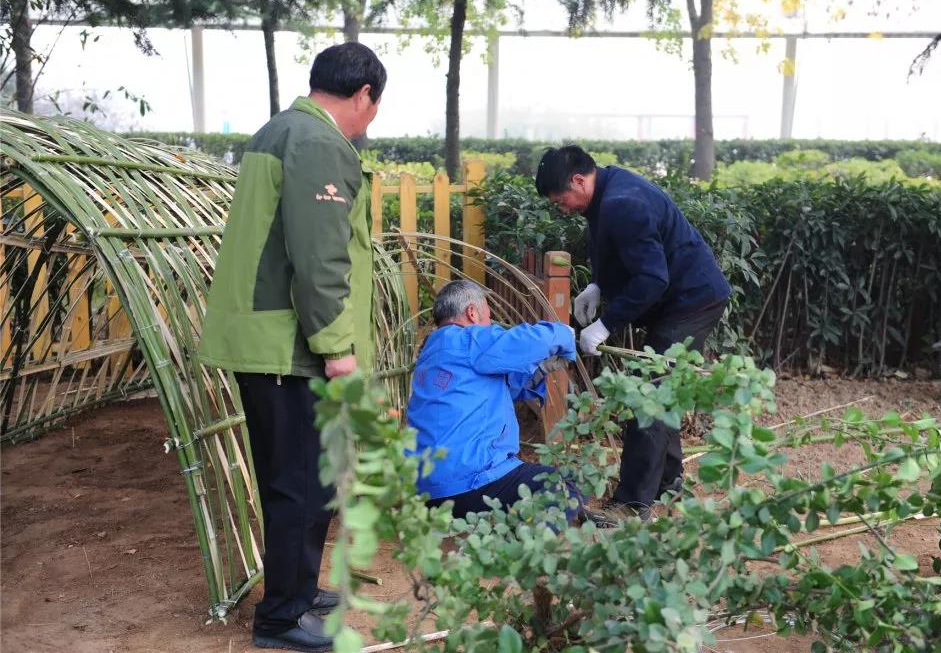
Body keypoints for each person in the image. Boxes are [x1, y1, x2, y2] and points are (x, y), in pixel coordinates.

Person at [199, 42, 386, 653]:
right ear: (363, 95)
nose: (371, 118)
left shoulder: (278, 132)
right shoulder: (321, 145)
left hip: (273, 341)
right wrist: (337, 347)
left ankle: (298, 589)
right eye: (374, 106)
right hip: (291, 349)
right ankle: (281, 617)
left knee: (306, 479)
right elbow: (319, 258)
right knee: (301, 484)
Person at [535, 145, 731, 526]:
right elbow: (615, 249)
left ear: (578, 180)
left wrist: (606, 324)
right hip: (681, 298)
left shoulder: (624, 203)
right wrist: (596, 285)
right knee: (661, 388)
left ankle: (631, 505)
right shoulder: (606, 191)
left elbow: (652, 279)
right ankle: (668, 483)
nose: (563, 208)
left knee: (648, 395)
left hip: (692, 301)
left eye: (562, 200)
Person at [406, 280, 583, 522]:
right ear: (472, 312)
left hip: (428, 494)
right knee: (561, 487)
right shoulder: (469, 339)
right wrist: (565, 333)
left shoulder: (431, 352)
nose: (491, 325)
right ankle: (533, 551)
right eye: (489, 317)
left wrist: (540, 370)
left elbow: (491, 391)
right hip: (470, 486)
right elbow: (530, 341)